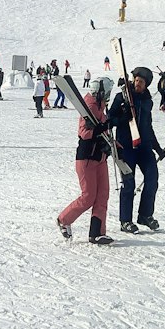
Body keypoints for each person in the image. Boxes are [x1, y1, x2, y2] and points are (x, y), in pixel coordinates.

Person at [56, 76, 114, 245]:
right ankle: (63, 219)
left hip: (100, 157)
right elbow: (85, 133)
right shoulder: (88, 108)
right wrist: (102, 127)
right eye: (107, 91)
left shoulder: (100, 108)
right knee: (88, 196)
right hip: (87, 157)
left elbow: (104, 131)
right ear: (101, 92)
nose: (109, 94)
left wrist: (115, 145)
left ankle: (97, 233)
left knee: (102, 195)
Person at [108, 67, 165, 233]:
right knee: (129, 183)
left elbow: (148, 126)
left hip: (145, 147)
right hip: (126, 147)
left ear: (147, 85)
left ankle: (145, 215)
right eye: (136, 80)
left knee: (152, 179)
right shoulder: (121, 98)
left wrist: (157, 147)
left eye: (141, 82)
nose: (137, 83)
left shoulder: (148, 101)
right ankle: (125, 220)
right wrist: (122, 117)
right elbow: (110, 120)